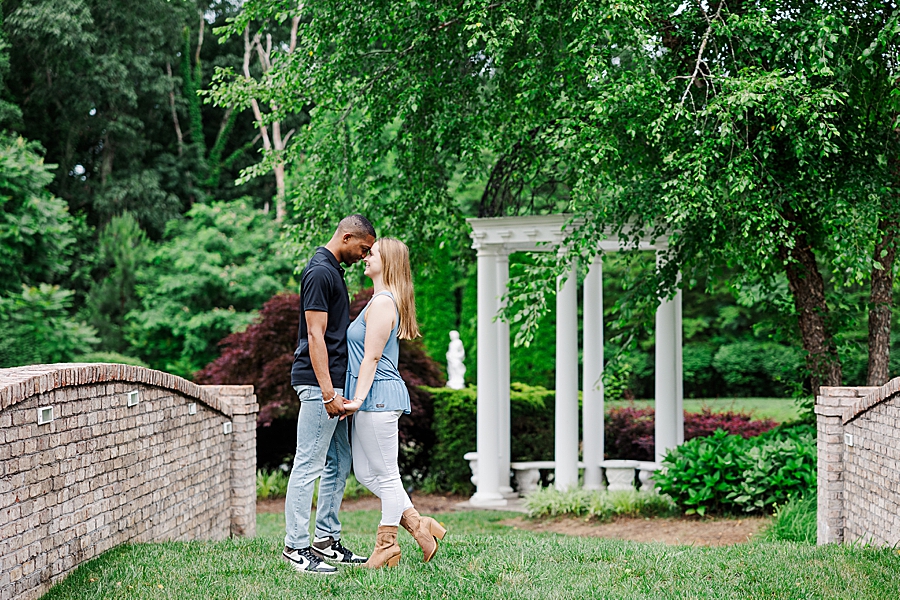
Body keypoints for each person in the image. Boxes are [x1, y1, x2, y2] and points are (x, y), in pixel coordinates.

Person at [342, 238, 447, 569]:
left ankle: (387, 545)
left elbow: (371, 356)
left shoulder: (385, 302)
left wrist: (357, 398)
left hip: (377, 397)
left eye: (371, 254)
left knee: (386, 476)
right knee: (365, 472)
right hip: (371, 397)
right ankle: (419, 525)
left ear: (386, 262)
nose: (365, 258)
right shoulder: (378, 300)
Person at [282, 215, 375, 575]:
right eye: (363, 248)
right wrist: (326, 393)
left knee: (339, 460)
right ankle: (295, 546)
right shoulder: (320, 271)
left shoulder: (333, 271)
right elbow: (315, 335)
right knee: (309, 463)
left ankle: (325, 539)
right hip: (319, 384)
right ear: (347, 236)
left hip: (334, 383)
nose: (364, 255)